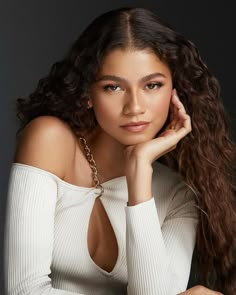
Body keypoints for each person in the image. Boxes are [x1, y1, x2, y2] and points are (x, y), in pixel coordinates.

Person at [3, 6, 236, 295]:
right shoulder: (49, 140)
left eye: (152, 85)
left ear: (175, 91)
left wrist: (139, 172)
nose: (135, 107)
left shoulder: (178, 193)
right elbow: (22, 289)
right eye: (113, 87)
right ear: (87, 93)